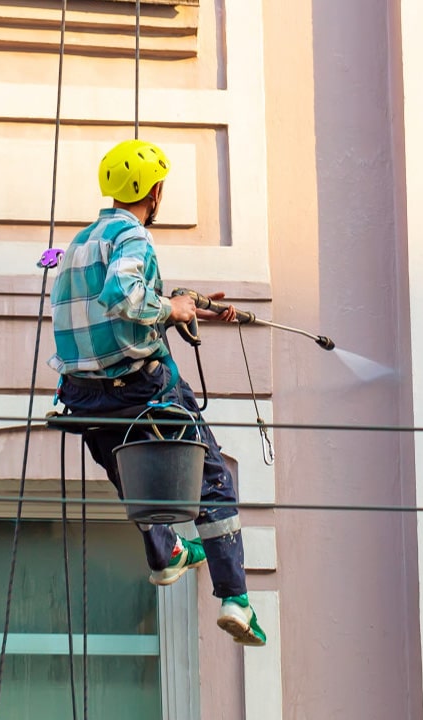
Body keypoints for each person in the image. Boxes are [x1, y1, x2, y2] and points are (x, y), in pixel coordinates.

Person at [47, 138, 266, 647]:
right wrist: (171, 311)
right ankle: (235, 599)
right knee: (209, 477)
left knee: (139, 477)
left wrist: (184, 303)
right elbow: (125, 296)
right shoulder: (134, 238)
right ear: (154, 190)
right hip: (139, 383)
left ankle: (166, 553)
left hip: (83, 394)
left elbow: (105, 305)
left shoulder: (78, 243)